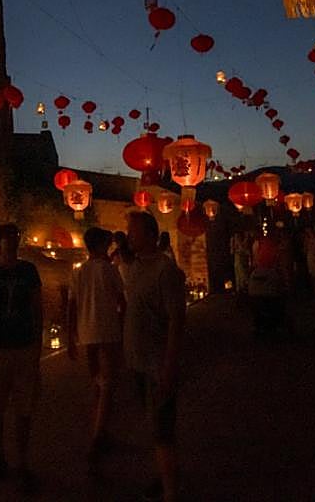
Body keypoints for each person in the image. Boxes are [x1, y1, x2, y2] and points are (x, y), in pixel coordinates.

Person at [0, 223, 43, 491]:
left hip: (24, 347)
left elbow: (37, 309)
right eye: (7, 240)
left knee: (24, 408)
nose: (12, 244)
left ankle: (22, 463)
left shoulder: (29, 271)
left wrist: (37, 345)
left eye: (15, 239)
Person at [123, 211, 186, 502]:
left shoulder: (165, 271)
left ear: (150, 234)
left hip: (158, 361)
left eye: (133, 231)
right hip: (138, 360)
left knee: (163, 429)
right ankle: (163, 477)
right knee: (153, 423)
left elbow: (176, 320)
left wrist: (170, 366)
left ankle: (171, 490)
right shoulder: (133, 267)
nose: (128, 236)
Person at [66, 226, 125, 468]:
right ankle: (97, 438)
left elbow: (71, 305)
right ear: (101, 246)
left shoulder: (78, 272)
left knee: (98, 384)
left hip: (87, 333)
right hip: (108, 332)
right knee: (109, 385)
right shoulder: (109, 270)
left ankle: (102, 430)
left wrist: (71, 337)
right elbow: (122, 301)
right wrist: (123, 325)